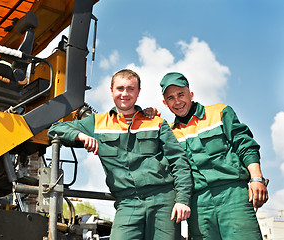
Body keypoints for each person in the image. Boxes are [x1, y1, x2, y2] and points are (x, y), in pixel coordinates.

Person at [48, 69, 192, 240]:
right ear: (111, 91)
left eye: (131, 89)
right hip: (127, 202)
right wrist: (80, 135)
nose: (125, 93)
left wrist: (182, 199)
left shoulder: (156, 122)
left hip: (163, 200)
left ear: (138, 92)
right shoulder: (98, 123)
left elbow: (179, 162)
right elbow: (55, 129)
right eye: (120, 88)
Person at [159, 72, 268, 240]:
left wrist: (256, 178)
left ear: (191, 94)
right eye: (170, 98)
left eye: (181, 94)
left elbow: (244, 144)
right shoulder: (169, 133)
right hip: (198, 205)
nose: (177, 101)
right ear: (165, 103)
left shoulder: (220, 112)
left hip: (233, 196)